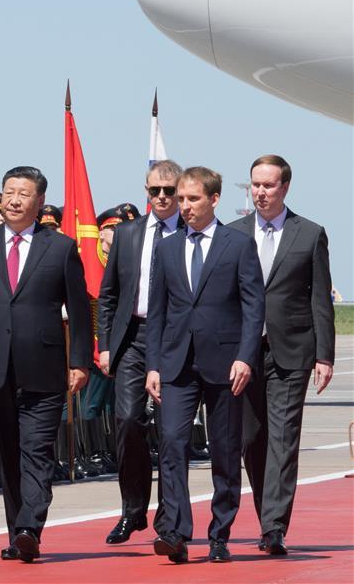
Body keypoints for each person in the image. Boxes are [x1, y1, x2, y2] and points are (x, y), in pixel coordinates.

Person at [0, 166, 92, 563]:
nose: (13, 200)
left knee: (36, 450)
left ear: (39, 201)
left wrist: (80, 361)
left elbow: (80, 311)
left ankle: (30, 526)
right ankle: (17, 534)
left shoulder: (59, 247)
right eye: (8, 191)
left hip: (44, 367)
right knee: (8, 451)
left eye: (22, 193)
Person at [145, 166, 264, 564]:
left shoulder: (237, 245)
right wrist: (154, 365)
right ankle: (176, 532)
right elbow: (158, 312)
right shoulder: (166, 248)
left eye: (192, 199)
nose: (184, 206)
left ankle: (219, 534)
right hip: (177, 364)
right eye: (180, 199)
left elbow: (253, 306)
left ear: (213, 200)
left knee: (225, 453)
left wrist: (246, 357)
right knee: (172, 446)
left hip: (226, 364)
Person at [229, 154, 335, 556]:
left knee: (284, 439)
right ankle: (266, 512)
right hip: (243, 354)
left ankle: (274, 527)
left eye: (268, 185)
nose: (260, 192)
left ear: (285, 188)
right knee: (251, 440)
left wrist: (324, 355)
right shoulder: (233, 233)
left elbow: (319, 299)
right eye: (255, 184)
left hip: (291, 352)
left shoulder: (308, 234)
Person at [98, 161, 183, 544]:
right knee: (129, 423)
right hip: (133, 337)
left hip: (175, 341)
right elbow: (109, 294)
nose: (162, 197)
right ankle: (133, 511)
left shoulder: (191, 232)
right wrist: (104, 346)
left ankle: (169, 520)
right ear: (145, 192)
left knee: (171, 432)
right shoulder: (128, 234)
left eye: (169, 191)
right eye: (155, 191)